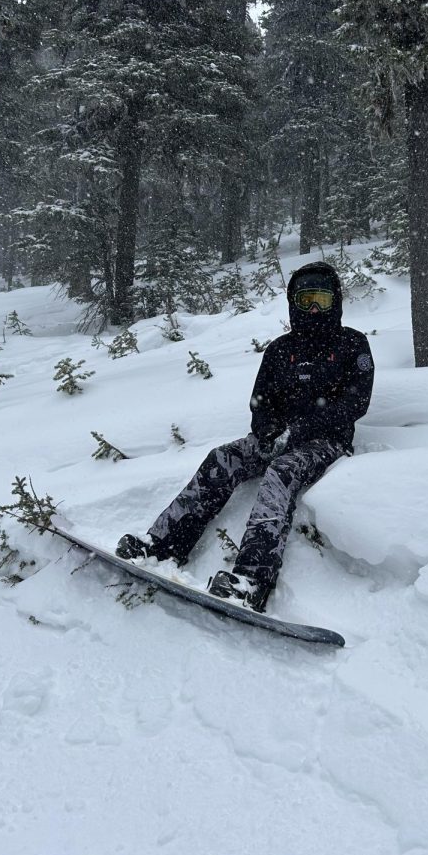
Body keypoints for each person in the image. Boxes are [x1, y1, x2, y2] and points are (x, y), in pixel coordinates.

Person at [116, 261, 374, 613]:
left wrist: (302, 429)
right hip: (278, 436)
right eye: (306, 300)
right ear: (293, 303)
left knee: (281, 472)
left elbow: (356, 402)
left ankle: (252, 580)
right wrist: (266, 428)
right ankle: (160, 544)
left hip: (327, 441)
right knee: (222, 458)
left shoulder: (352, 344)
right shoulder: (280, 349)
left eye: (322, 300)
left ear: (336, 302)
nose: (313, 309)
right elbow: (260, 400)